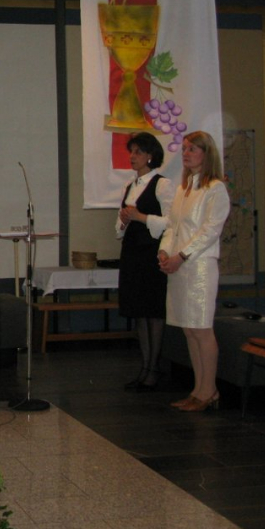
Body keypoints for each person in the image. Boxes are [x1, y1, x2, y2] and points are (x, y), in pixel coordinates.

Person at [158, 131, 230, 412]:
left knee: (201, 329)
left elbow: (210, 231)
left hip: (199, 267)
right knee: (189, 330)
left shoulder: (215, 188)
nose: (186, 154)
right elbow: (172, 227)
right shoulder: (183, 188)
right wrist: (165, 251)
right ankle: (198, 389)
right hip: (179, 266)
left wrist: (182, 256)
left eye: (192, 149)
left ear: (206, 154)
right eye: (184, 148)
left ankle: (209, 390)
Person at [116, 132, 176, 392]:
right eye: (132, 151)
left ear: (150, 156)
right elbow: (119, 229)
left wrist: (140, 217)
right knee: (139, 311)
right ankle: (144, 367)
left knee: (153, 311)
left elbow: (172, 222)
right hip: (132, 252)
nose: (133, 156)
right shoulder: (129, 187)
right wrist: (124, 220)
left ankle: (153, 369)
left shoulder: (162, 185)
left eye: (138, 152)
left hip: (152, 253)